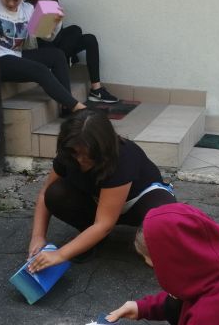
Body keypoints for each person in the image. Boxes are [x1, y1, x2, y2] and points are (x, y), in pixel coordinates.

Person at [27, 109, 175, 269]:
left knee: (163, 222)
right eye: (75, 153)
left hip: (140, 199)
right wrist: (38, 237)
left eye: (87, 154)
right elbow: (44, 194)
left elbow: (104, 224)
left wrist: (60, 255)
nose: (80, 159)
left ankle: (150, 237)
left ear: (104, 146)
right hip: (101, 203)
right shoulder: (68, 153)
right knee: (55, 193)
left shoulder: (123, 157)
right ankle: (91, 238)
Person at [0, 0, 87, 114]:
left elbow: (46, 36)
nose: (11, 3)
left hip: (17, 54)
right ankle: (77, 108)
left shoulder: (27, 9)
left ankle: (67, 107)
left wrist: (55, 22)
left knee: (57, 55)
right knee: (41, 70)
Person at [24, 0, 118, 104]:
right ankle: (65, 60)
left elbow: (54, 35)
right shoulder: (23, 3)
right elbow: (33, 40)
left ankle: (96, 89)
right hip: (40, 47)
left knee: (85, 35)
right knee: (73, 33)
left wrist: (56, 23)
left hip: (54, 41)